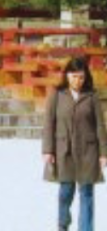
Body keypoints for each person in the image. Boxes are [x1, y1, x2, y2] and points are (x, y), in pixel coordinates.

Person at [43, 55, 107, 231]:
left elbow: (100, 126)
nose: (77, 81)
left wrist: (103, 153)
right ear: (67, 76)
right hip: (64, 150)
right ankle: (63, 223)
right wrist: (48, 150)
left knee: (87, 194)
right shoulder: (56, 95)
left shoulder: (92, 96)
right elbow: (49, 123)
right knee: (66, 192)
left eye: (81, 77)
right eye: (74, 77)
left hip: (88, 151)